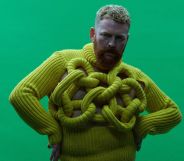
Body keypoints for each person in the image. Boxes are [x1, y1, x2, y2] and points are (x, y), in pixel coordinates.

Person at [9, 4, 182, 161]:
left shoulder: (133, 77)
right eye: (105, 35)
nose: (111, 44)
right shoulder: (63, 61)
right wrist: (52, 130)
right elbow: (21, 94)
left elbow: (173, 113)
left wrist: (142, 126)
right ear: (92, 34)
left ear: (127, 40)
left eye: (119, 38)